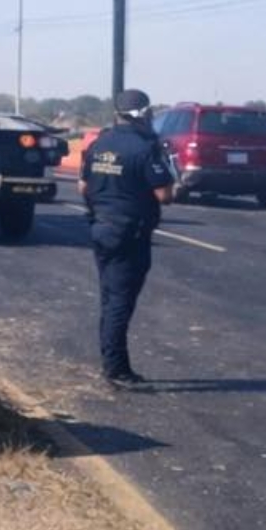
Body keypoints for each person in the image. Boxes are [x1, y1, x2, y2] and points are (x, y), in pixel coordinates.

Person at [78, 88, 175, 389]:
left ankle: (112, 361)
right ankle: (116, 369)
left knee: (109, 298)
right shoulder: (145, 148)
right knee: (120, 301)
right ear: (144, 114)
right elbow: (165, 194)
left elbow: (83, 186)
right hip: (129, 232)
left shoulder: (100, 143)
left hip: (101, 228)